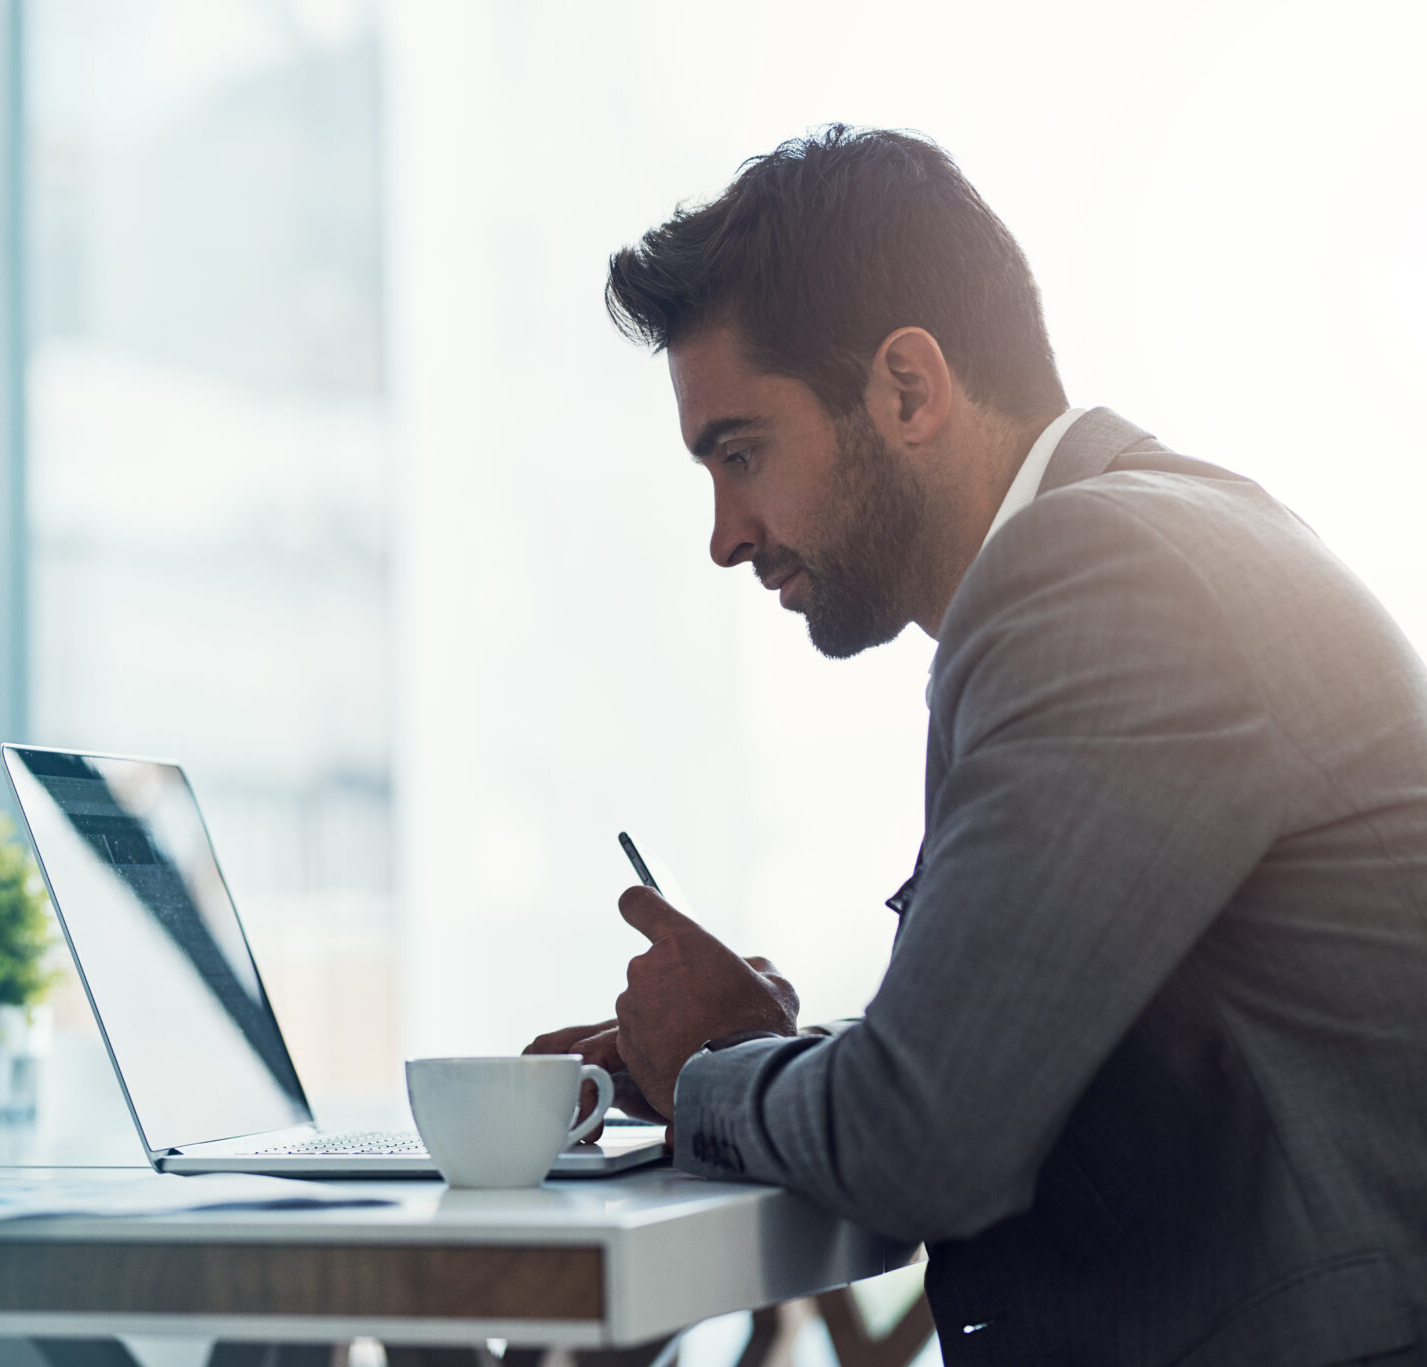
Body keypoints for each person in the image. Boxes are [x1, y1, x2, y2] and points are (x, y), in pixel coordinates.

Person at [528, 126, 1427, 1366]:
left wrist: (711, 1065)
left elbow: (924, 1138)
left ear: (906, 387)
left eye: (741, 454)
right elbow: (997, 1062)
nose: (726, 534)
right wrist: (762, 1055)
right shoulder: (1164, 530)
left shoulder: (1100, 576)